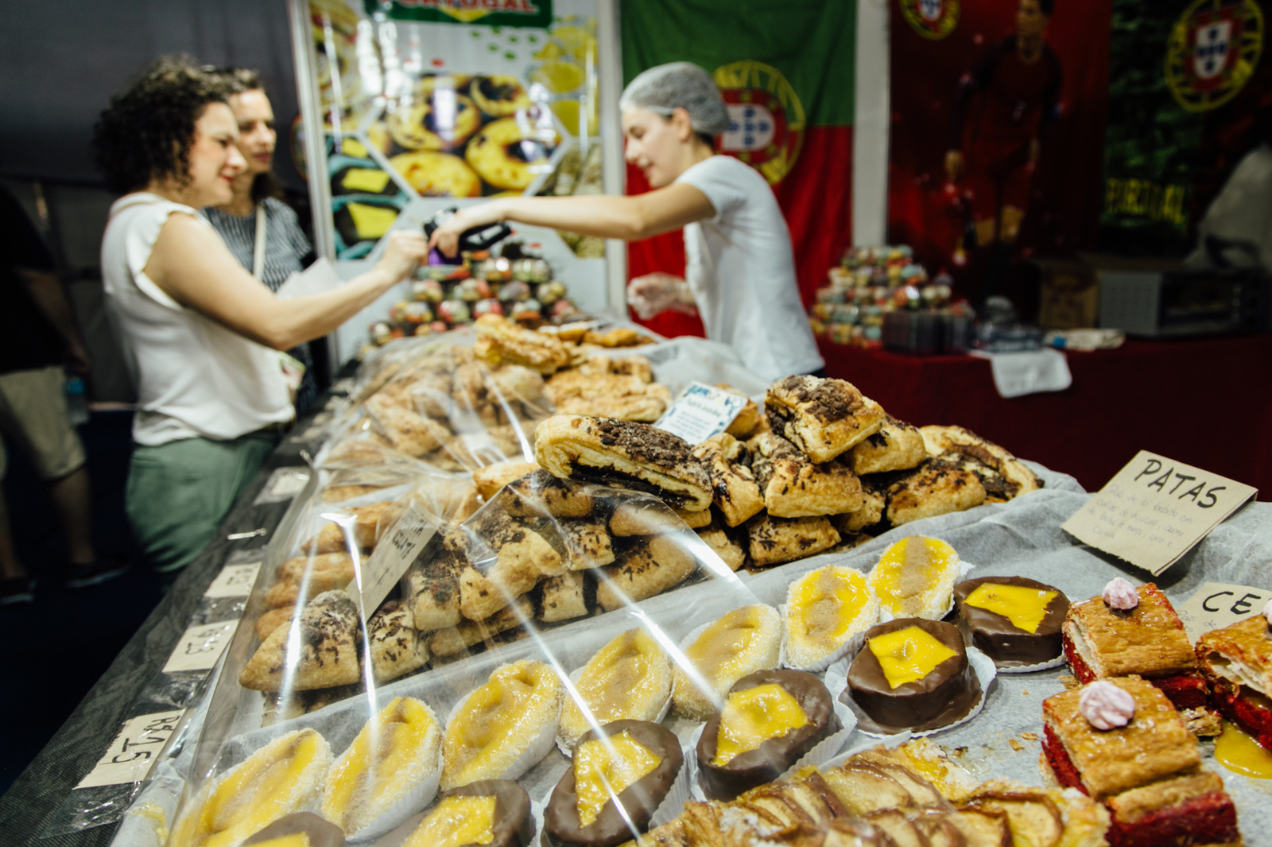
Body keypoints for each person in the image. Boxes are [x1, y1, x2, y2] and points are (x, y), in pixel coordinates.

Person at [94, 58, 427, 574]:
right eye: (221, 141)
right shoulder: (163, 221)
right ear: (168, 139)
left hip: (218, 454)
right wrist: (385, 274)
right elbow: (277, 325)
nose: (239, 158)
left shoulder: (136, 218)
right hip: (202, 464)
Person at [428, 62, 824, 382]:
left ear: (682, 124)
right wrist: (681, 294)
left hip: (786, 377)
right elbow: (751, 287)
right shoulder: (703, 194)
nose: (632, 153)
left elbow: (636, 218)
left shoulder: (722, 172)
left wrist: (504, 208)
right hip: (756, 376)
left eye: (639, 133)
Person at [0, 187, 127, 603]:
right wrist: (72, 339)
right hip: (17, 352)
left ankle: (10, 572)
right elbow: (35, 275)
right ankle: (81, 557)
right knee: (59, 458)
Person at [202, 68, 320, 416]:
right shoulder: (193, 222)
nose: (265, 138)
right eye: (246, 127)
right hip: (234, 406)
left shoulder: (279, 216)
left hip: (296, 393)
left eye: (268, 125)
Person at [945, 0, 1061, 304]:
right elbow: (961, 95)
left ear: (1045, 19)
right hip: (986, 153)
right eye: (1020, 10)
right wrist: (955, 147)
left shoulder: (1051, 65)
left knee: (1009, 232)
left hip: (1019, 157)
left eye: (1031, 11)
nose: (1022, 18)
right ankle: (951, 261)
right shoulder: (997, 55)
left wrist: (1041, 139)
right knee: (986, 233)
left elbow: (1052, 111)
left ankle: (987, 303)